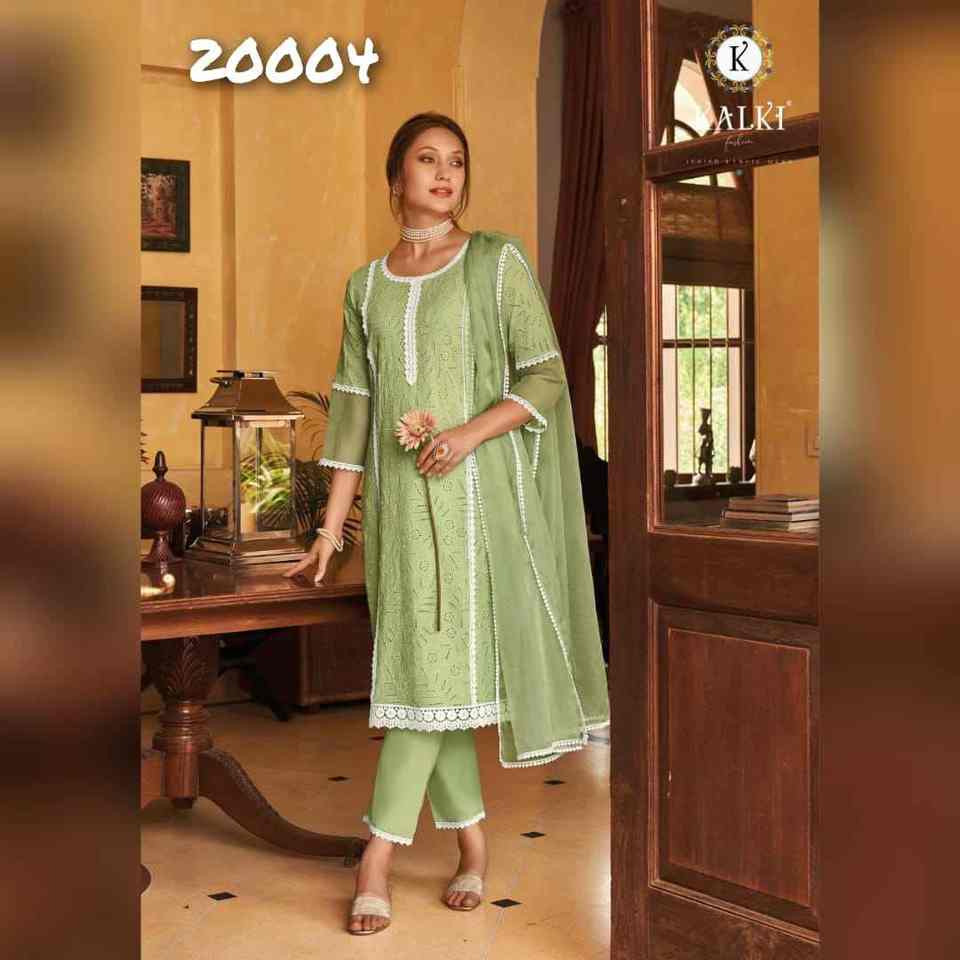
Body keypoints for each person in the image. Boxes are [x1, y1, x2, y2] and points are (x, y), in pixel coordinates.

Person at [284, 111, 610, 935]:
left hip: (475, 512)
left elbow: (545, 377)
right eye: (427, 160)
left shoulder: (495, 262)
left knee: (423, 685)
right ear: (395, 177)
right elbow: (353, 416)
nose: (444, 174)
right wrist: (330, 531)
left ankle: (376, 858)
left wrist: (466, 434)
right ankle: (472, 846)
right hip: (399, 518)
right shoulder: (365, 287)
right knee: (434, 690)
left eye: (457, 162)